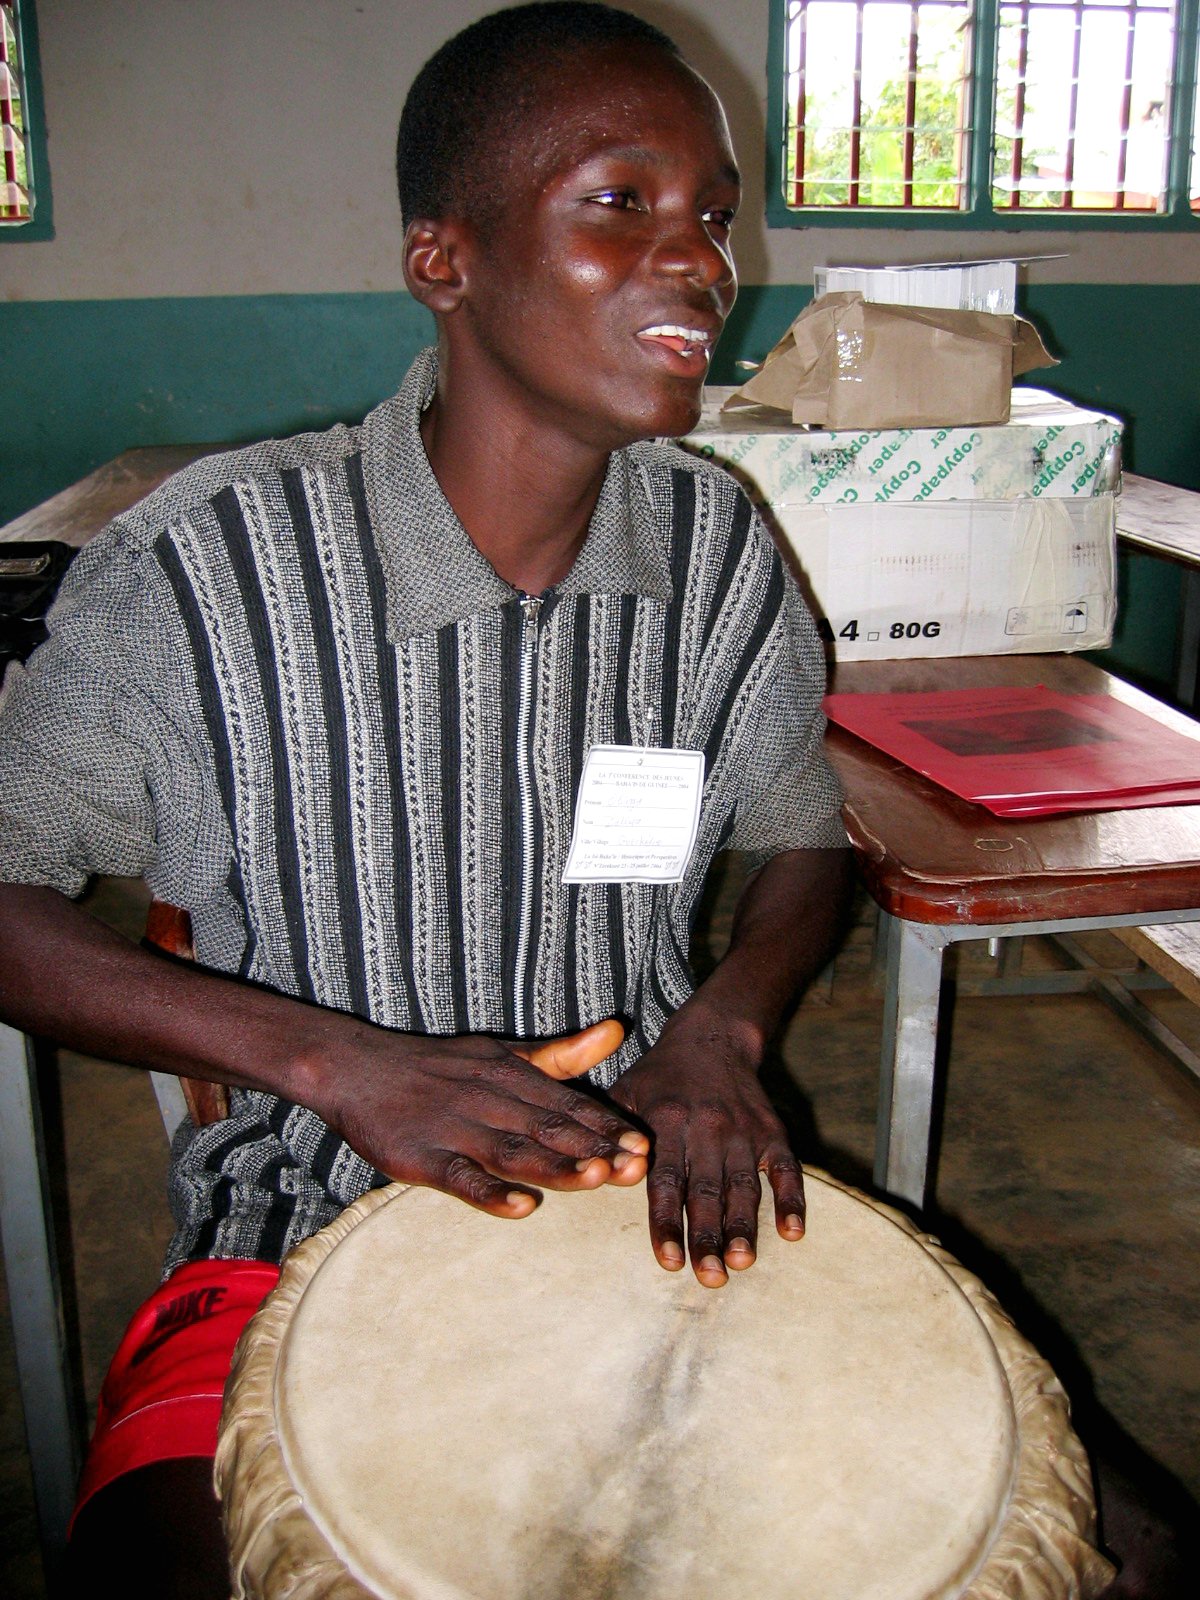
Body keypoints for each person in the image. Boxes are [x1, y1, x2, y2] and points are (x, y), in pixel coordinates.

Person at [0, 5, 852, 1593]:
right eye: (621, 201)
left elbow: (801, 829)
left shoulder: (716, 550)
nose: (700, 264)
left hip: (649, 1183)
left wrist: (720, 1031)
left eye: (714, 219)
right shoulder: (203, 572)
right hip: (295, 1213)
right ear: (443, 260)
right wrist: (334, 1063)